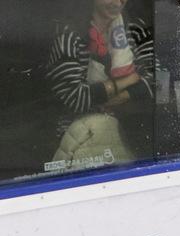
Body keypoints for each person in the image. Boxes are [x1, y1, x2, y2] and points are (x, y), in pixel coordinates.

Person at [46, 0, 155, 168]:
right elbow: (75, 98)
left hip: (130, 131)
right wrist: (129, 80)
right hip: (81, 136)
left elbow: (158, 77)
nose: (118, 2)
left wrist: (121, 96)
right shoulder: (69, 36)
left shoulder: (135, 28)